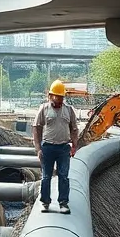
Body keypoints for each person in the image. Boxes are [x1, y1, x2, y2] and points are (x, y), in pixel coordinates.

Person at [33, 79, 79, 214]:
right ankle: (45, 202)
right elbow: (36, 128)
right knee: (46, 176)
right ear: (50, 95)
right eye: (57, 96)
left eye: (61, 97)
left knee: (63, 176)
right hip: (47, 147)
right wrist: (38, 149)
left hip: (63, 148)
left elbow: (74, 129)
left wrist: (74, 146)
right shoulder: (44, 109)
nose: (59, 99)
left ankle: (63, 203)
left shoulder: (69, 110)